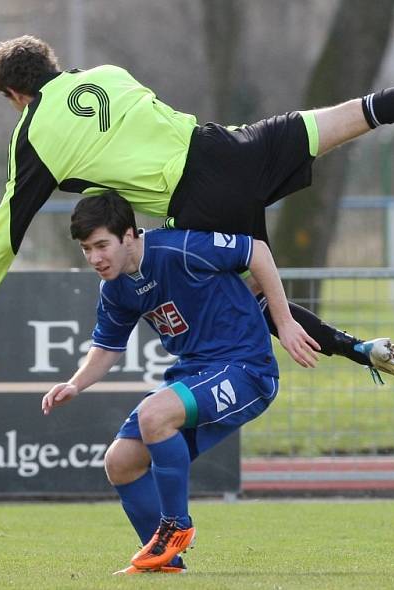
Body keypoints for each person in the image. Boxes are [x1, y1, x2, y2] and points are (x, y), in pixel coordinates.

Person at [0, 37, 394, 380]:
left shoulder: (32, 133)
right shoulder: (105, 73)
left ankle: (360, 349)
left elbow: (7, 222)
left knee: (253, 290)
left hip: (197, 199)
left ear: (14, 96)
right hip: (232, 146)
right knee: (357, 113)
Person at [43, 191, 315, 574]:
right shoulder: (116, 288)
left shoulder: (179, 248)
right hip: (195, 371)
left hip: (246, 367)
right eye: (87, 249)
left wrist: (284, 323)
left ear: (129, 235)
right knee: (120, 463)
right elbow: (107, 346)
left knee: (156, 415)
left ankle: (176, 527)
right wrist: (75, 383)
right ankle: (166, 563)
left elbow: (256, 252)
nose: (95, 258)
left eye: (102, 245)